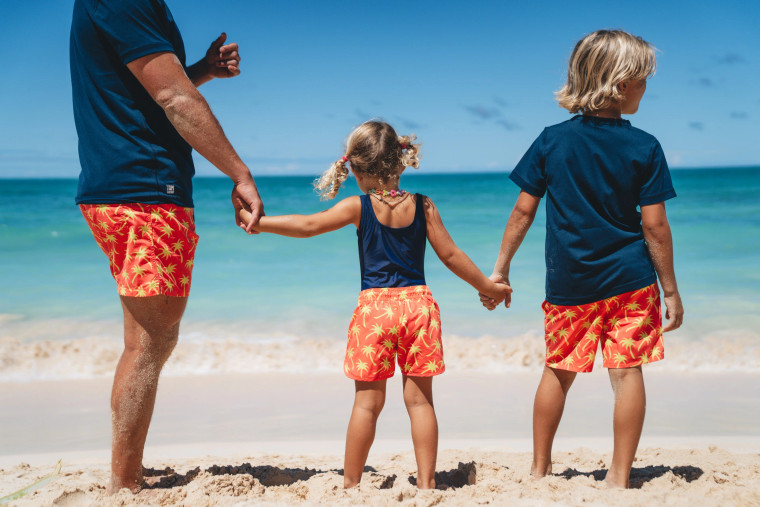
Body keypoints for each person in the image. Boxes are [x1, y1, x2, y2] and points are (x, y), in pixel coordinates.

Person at [239, 120, 510, 489]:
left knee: (367, 404)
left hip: (374, 312)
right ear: (399, 161)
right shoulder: (423, 205)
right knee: (420, 403)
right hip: (418, 307)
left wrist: (261, 224)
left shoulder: (357, 207)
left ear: (354, 169)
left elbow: (307, 225)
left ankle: (351, 485)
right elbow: (450, 255)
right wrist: (488, 287)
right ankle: (427, 483)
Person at [70, 0, 263, 493]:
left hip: (128, 188)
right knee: (151, 341)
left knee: (149, 339)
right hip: (144, 190)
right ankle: (123, 483)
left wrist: (202, 70)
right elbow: (172, 98)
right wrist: (239, 173)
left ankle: (126, 473)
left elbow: (148, 87)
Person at [481, 30, 684, 488]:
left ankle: (539, 469)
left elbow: (523, 211)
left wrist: (501, 268)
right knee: (626, 371)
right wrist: (670, 289)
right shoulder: (645, 147)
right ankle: (618, 476)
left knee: (559, 370)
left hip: (570, 283)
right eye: (643, 80)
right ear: (620, 84)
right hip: (631, 281)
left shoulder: (551, 142)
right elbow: (654, 227)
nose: (647, 89)